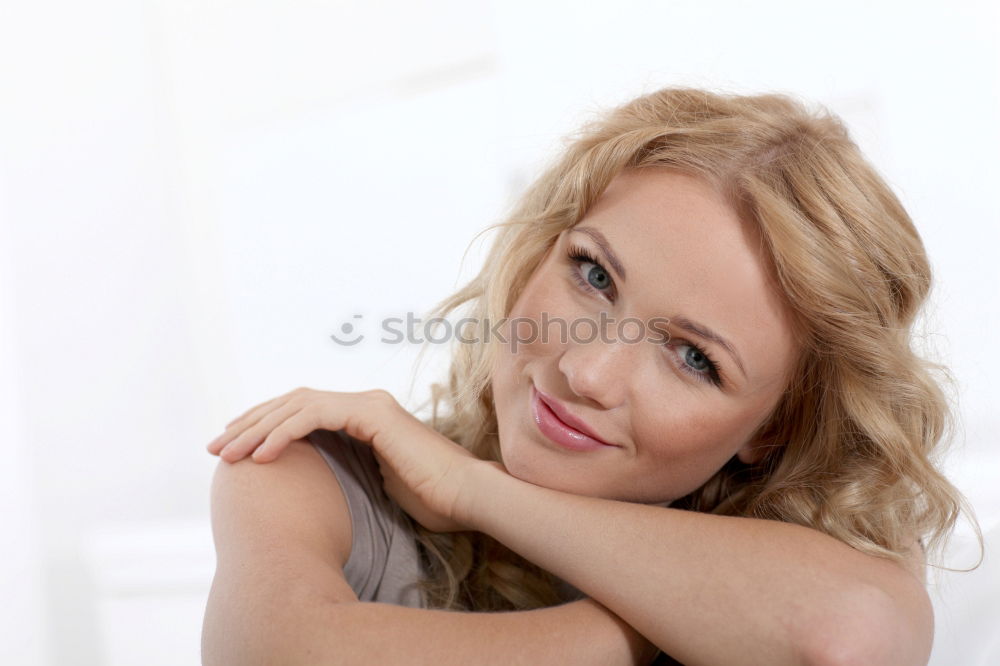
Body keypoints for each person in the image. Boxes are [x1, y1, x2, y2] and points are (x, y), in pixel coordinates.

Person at [201, 86, 981, 665]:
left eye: (693, 358)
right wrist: (656, 621)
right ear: (542, 243)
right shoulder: (310, 470)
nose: (586, 369)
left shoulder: (807, 572)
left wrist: (477, 492)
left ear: (774, 426)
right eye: (594, 275)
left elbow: (851, 635)